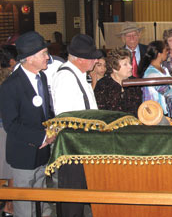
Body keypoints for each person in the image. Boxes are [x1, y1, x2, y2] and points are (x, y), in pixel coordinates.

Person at [0, 31, 55, 217]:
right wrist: (42, 137)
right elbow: (11, 125)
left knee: (38, 200)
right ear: (30, 58)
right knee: (24, 206)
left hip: (42, 152)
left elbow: (45, 111)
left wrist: (53, 127)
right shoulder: (10, 86)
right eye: (44, 54)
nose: (48, 57)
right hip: (23, 154)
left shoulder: (42, 77)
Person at [52, 33, 103, 217]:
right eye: (92, 57)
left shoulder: (80, 74)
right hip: (74, 147)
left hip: (84, 146)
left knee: (81, 195)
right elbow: (66, 118)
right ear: (80, 59)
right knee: (72, 198)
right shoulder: (66, 78)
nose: (96, 60)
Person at [138, 41, 172, 120]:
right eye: (165, 51)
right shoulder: (151, 73)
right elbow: (167, 91)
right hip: (156, 113)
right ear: (159, 54)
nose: (167, 53)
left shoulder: (164, 69)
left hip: (168, 110)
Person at [95, 48, 142, 116]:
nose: (131, 67)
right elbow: (101, 113)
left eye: (130, 63)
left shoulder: (134, 82)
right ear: (114, 68)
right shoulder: (102, 85)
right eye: (125, 64)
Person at [0, 45, 17, 217]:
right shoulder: (12, 79)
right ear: (12, 61)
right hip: (5, 127)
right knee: (10, 168)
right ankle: (9, 206)